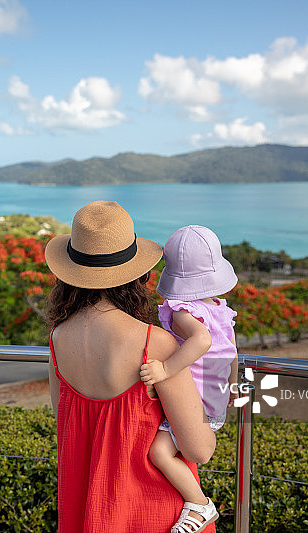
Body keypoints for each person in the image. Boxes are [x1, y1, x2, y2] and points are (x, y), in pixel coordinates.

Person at [44, 201, 217, 533]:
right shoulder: (156, 344)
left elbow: (65, 426)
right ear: (139, 273)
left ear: (70, 274)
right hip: (155, 516)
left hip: (90, 513)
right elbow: (199, 449)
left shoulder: (57, 340)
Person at [139, 225, 239, 533]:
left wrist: (166, 370)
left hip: (197, 405)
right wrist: (232, 387)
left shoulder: (183, 311)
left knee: (158, 451)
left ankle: (199, 504)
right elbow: (232, 352)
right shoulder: (221, 309)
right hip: (215, 400)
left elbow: (202, 342)